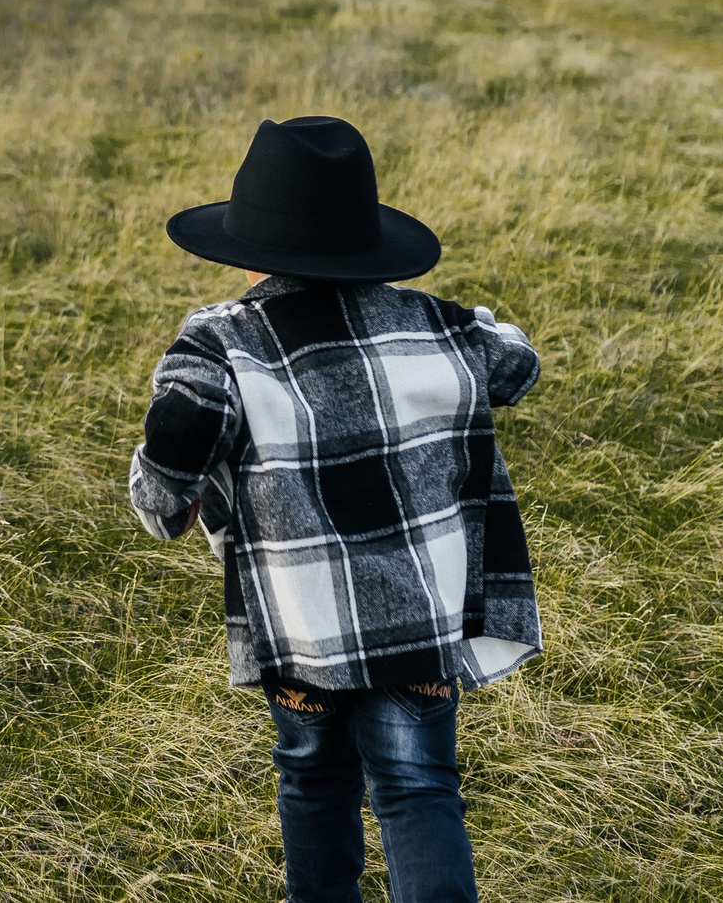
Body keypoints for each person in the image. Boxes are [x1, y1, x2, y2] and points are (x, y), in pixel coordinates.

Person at [127, 116, 540, 903]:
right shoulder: (437, 325)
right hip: (421, 621)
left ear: (246, 249)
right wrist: (431, 326)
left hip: (302, 628)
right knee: (419, 789)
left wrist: (169, 501)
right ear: (365, 242)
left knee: (313, 782)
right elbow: (516, 360)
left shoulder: (219, 343)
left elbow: (169, 464)